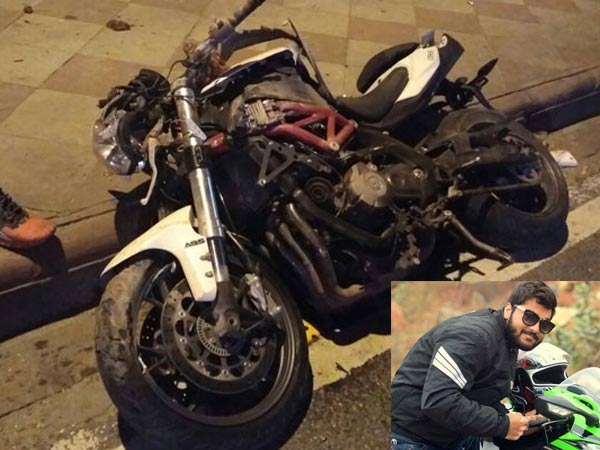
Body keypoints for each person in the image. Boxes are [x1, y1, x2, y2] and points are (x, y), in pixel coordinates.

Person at [391, 282, 557, 450]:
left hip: (453, 436)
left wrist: (518, 423)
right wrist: (502, 424)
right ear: (508, 310)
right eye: (529, 317)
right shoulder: (473, 337)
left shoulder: (508, 341)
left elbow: (480, 393)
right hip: (413, 438)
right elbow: (438, 400)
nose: (535, 328)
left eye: (545, 325)